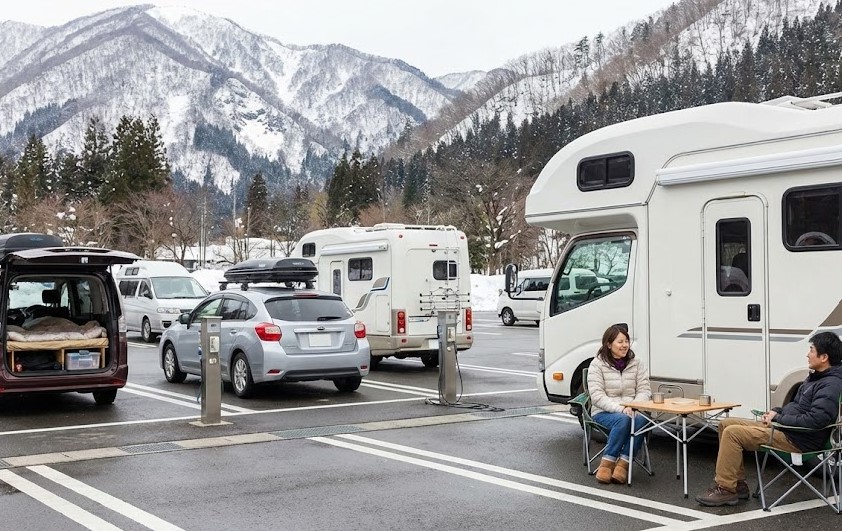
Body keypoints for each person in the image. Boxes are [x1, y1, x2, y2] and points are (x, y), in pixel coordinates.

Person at [695, 331, 842, 506]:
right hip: (786, 429)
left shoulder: (830, 384)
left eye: (811, 350)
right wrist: (775, 412)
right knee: (726, 423)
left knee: (733, 433)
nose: (807, 354)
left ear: (824, 357)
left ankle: (726, 489)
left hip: (798, 440)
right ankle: (737, 484)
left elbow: (815, 421)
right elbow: (796, 408)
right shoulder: (816, 378)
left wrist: (779, 418)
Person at [587, 324, 651, 484]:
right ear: (609, 344)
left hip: (633, 410)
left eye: (626, 341)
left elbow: (644, 389)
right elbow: (596, 396)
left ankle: (623, 464)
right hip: (604, 412)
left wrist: (634, 406)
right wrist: (621, 409)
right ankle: (607, 463)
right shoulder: (597, 364)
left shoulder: (636, 362)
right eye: (620, 342)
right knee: (623, 420)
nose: (624, 345)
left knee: (643, 420)